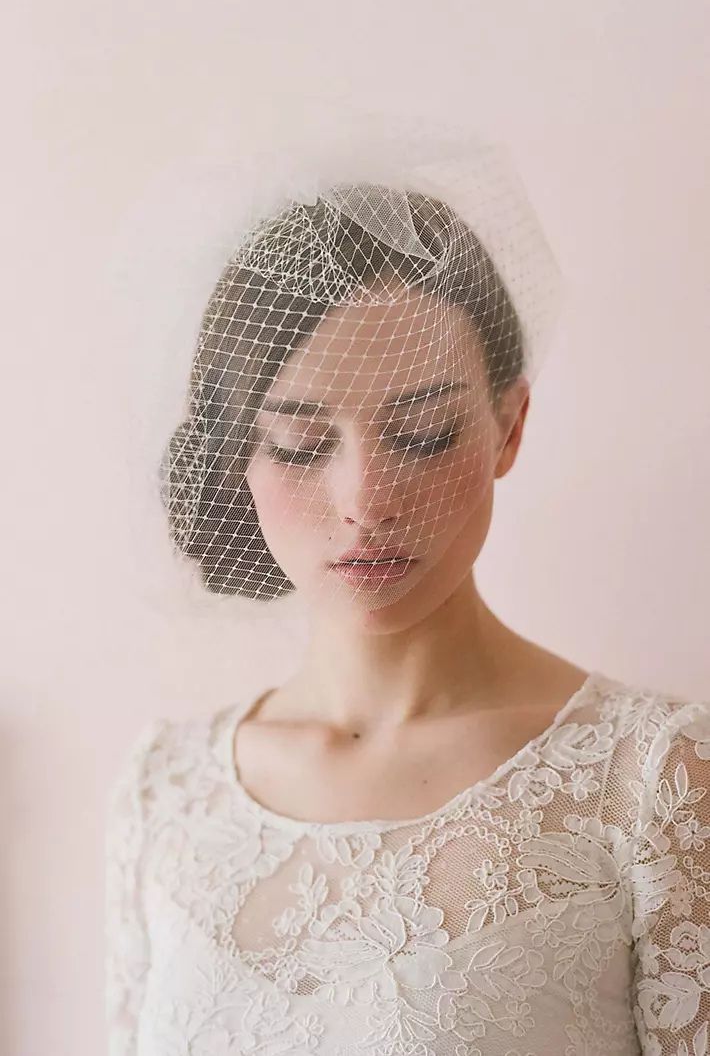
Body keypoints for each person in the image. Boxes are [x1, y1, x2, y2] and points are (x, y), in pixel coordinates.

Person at [106, 176, 710, 1055]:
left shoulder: (653, 782)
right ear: (236, 451)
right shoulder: (163, 793)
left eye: (423, 433)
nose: (365, 501)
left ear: (510, 426)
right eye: (302, 445)